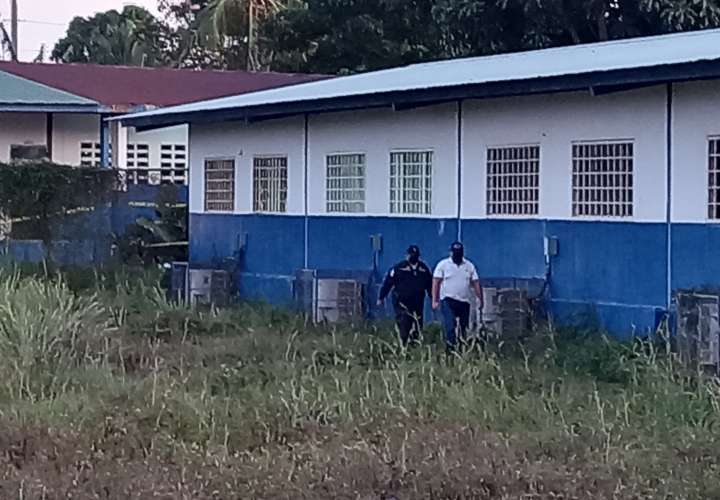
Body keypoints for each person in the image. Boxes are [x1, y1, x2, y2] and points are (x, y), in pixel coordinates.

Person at [432, 241, 483, 353]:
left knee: (463, 328)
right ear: (451, 253)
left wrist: (480, 299)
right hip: (448, 300)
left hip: (464, 301)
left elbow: (475, 283)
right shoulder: (443, 265)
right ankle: (450, 351)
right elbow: (436, 282)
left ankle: (461, 349)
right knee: (450, 326)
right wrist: (434, 300)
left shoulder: (469, 266)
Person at [377, 245, 433, 345]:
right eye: (411, 255)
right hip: (401, 302)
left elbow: (429, 284)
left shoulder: (423, 269)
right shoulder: (399, 268)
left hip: (417, 302)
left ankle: (415, 345)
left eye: (415, 255)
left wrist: (433, 298)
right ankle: (403, 345)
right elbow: (388, 282)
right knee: (404, 322)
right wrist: (381, 296)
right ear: (407, 255)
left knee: (417, 324)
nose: (413, 257)